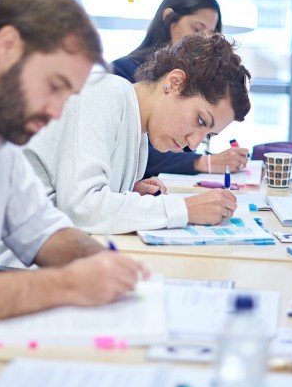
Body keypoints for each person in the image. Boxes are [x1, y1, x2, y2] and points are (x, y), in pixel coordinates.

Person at [0, 0, 145, 325]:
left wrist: (106, 264)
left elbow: (45, 232)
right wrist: (65, 284)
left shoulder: (0, 142)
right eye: (54, 86)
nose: (57, 112)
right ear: (7, 46)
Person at [24, 31, 252, 235]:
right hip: (16, 266)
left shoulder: (137, 127)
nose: (192, 145)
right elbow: (82, 208)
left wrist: (125, 195)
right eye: (200, 120)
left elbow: (78, 196)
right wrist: (186, 209)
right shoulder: (105, 93)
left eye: (207, 135)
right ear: (174, 83)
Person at [111, 0, 249, 177]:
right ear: (169, 19)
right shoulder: (119, 78)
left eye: (211, 34)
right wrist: (204, 162)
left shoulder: (190, 93)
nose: (203, 40)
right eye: (197, 28)